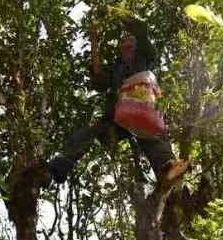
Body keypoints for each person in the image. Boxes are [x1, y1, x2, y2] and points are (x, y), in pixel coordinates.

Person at [46, 18, 189, 186]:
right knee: (90, 132)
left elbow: (142, 34)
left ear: (136, 45)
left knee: (154, 138)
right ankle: (60, 166)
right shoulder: (116, 67)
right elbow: (99, 82)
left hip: (144, 109)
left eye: (130, 38)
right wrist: (93, 41)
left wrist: (126, 19)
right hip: (120, 116)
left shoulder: (144, 56)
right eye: (124, 40)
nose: (126, 41)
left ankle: (169, 171)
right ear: (120, 47)